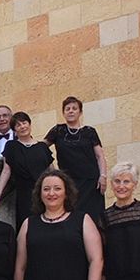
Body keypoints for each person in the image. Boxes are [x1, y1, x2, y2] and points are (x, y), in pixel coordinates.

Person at [45, 96, 107, 225]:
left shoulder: (89, 132)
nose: (71, 111)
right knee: (71, 215)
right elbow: (40, 149)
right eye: (67, 109)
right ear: (63, 113)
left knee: (93, 216)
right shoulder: (58, 130)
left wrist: (103, 176)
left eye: (74, 108)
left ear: (80, 112)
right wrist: (52, 170)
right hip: (69, 182)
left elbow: (100, 156)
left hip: (91, 182)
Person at [0, 111, 53, 231]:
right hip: (24, 194)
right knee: (27, 227)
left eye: (24, 123)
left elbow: (52, 170)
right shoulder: (11, 146)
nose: (22, 126)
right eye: (18, 125)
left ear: (29, 124)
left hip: (45, 193)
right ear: (14, 130)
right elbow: (6, 171)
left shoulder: (42, 147)